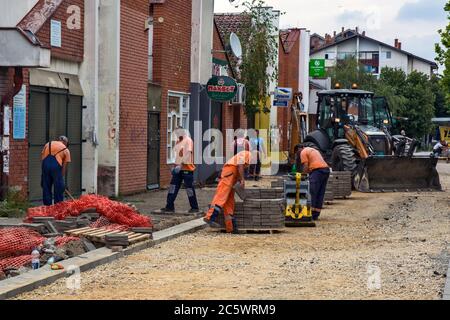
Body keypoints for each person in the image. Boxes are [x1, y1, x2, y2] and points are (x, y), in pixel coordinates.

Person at [204, 150, 252, 233]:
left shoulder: (247, 155)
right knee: (221, 196)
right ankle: (210, 217)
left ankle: (231, 228)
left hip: (232, 175)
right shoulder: (248, 154)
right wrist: (242, 179)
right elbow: (240, 165)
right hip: (229, 173)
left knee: (229, 201)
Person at [160, 128, 200, 214]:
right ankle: (169, 206)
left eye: (177, 133)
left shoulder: (188, 140)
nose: (176, 135)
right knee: (172, 187)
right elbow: (178, 155)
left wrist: (181, 165)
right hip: (178, 169)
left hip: (187, 169)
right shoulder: (178, 141)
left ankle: (194, 207)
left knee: (189, 188)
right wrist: (174, 166)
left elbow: (188, 153)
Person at [295, 144, 330, 221]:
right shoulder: (312, 150)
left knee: (312, 191)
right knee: (320, 192)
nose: (298, 154)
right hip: (326, 170)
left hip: (318, 171)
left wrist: (303, 176)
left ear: (299, 149)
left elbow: (306, 166)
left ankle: (310, 213)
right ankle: (316, 214)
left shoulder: (303, 152)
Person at [41, 136, 71, 206]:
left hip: (45, 165)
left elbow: (42, 157)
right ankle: (58, 207)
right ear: (65, 142)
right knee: (58, 187)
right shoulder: (66, 149)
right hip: (56, 167)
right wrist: (61, 177)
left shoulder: (48, 144)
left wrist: (44, 171)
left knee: (46, 186)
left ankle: (47, 207)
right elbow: (64, 166)